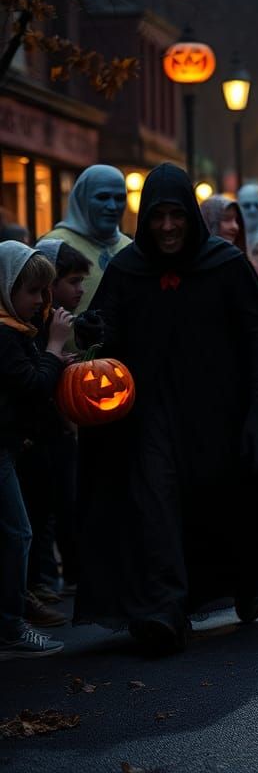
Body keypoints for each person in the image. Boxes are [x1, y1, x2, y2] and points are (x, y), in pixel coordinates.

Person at [73, 164, 258, 653]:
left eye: (177, 215)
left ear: (191, 217)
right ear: (145, 220)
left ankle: (241, 579)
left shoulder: (225, 264)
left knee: (220, 502)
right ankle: (164, 610)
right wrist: (92, 332)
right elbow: (108, 332)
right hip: (150, 416)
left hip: (220, 413)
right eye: (158, 217)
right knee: (156, 500)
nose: (168, 227)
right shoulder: (127, 270)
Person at [0, 242, 74, 658]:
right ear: (7, 287)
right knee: (18, 532)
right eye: (33, 292)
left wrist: (56, 360)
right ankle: (11, 626)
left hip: (10, 446)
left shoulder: (17, 331)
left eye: (45, 292)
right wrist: (53, 350)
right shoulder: (5, 335)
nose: (42, 301)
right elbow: (30, 385)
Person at [19, 240, 90, 611]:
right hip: (38, 435)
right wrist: (54, 351)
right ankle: (34, 585)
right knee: (38, 511)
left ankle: (42, 581)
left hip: (52, 431)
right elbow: (35, 383)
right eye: (74, 281)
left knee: (51, 505)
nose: (80, 290)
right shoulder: (34, 327)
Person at [42, 165, 132, 313]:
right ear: (81, 198)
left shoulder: (130, 247)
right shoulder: (54, 246)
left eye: (120, 198)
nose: (112, 206)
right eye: (102, 197)